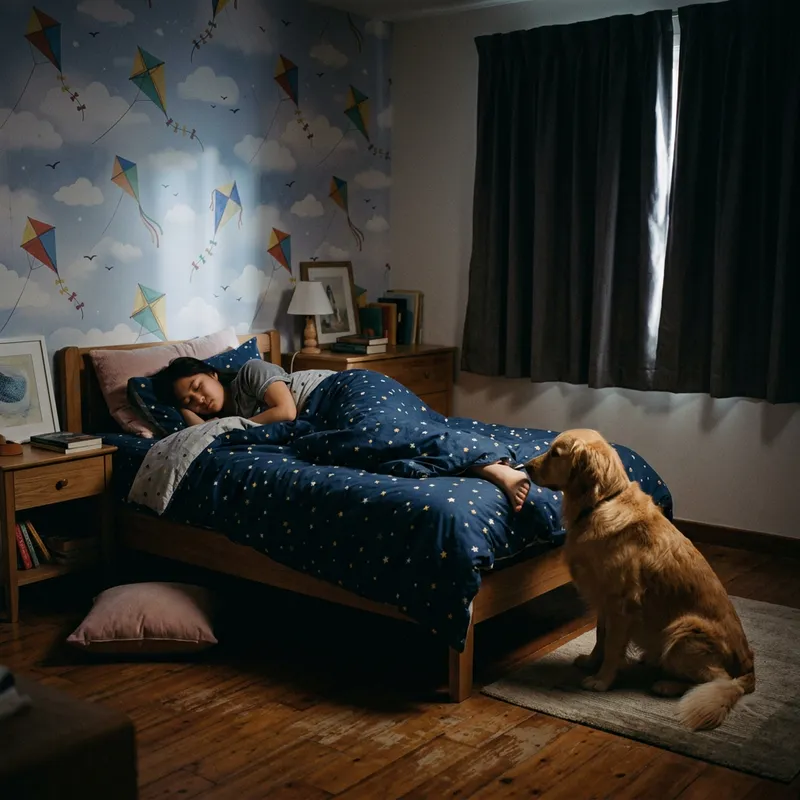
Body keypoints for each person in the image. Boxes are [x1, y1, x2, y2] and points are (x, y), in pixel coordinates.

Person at [153, 357, 531, 511]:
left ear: (213, 373)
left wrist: (227, 419)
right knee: (368, 447)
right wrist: (183, 408)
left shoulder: (251, 371)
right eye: (190, 400)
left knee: (376, 434)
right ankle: (472, 465)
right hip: (329, 417)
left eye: (198, 386)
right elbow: (201, 434)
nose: (200, 399)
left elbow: (286, 412)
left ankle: (491, 465)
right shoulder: (225, 418)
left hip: (341, 390)